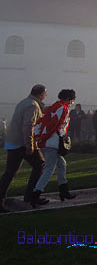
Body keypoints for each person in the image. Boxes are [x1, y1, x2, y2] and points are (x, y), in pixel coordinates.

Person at [0, 84, 47, 213]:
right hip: (21, 143)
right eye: (45, 94)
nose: (45, 96)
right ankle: (30, 197)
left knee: (11, 173)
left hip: (15, 142)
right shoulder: (33, 105)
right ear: (40, 94)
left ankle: (31, 196)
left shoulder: (24, 102)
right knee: (40, 165)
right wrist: (30, 144)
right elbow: (28, 126)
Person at [31, 89, 77, 207]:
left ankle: (64, 191)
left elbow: (42, 122)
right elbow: (54, 125)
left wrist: (39, 136)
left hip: (48, 141)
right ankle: (36, 194)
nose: (72, 103)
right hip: (52, 142)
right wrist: (43, 137)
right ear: (68, 99)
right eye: (72, 100)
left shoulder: (53, 107)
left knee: (62, 164)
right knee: (49, 169)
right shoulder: (63, 108)